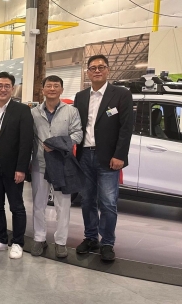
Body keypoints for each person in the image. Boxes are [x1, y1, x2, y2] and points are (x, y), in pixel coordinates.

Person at [73, 55, 134, 261]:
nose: (97, 71)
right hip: (84, 156)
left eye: (101, 67)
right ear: (88, 72)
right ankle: (90, 237)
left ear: (108, 70)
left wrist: (120, 155)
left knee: (108, 202)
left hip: (108, 157)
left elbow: (126, 128)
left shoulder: (121, 95)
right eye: (93, 68)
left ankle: (107, 242)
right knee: (87, 200)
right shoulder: (80, 97)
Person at [0, 72, 33, 259]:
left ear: (12, 88)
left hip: (13, 168)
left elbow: (26, 142)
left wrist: (22, 168)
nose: (3, 89)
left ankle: (18, 242)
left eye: (7, 86)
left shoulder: (22, 111)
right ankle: (1, 239)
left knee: (16, 206)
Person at [30, 75, 83, 258]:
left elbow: (78, 134)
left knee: (63, 205)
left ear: (61, 90)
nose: (52, 89)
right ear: (43, 89)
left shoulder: (71, 111)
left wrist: (57, 143)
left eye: (56, 86)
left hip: (62, 164)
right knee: (39, 203)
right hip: (40, 163)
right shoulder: (34, 112)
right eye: (48, 86)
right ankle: (39, 238)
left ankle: (61, 242)